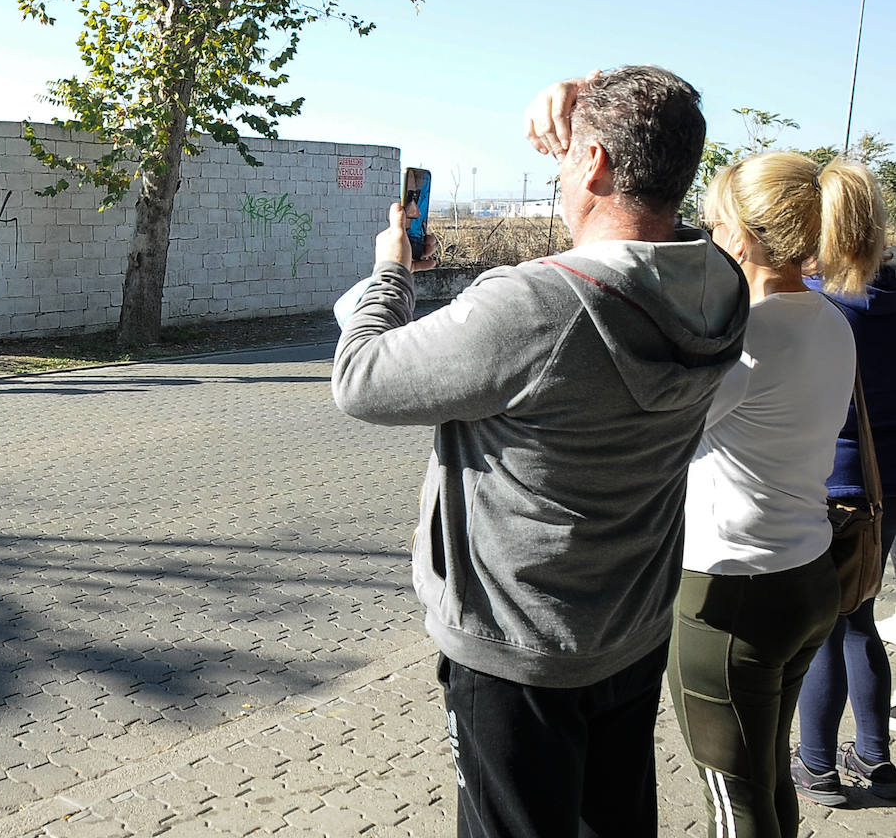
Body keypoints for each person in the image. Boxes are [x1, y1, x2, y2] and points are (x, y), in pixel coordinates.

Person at [332, 66, 749, 837]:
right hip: (631, 633)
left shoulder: (536, 304)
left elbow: (360, 380)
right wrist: (588, 92)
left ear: (593, 164)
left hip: (517, 652)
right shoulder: (721, 283)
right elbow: (664, 218)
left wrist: (390, 275)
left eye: (566, 159)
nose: (559, 175)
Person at [668, 152, 884, 837]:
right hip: (805, 578)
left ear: (742, 236)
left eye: (714, 223)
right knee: (764, 778)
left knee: (736, 801)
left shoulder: (745, 339)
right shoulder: (829, 319)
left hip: (731, 596)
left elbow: (661, 432)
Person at [794, 253, 896, 806]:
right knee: (863, 617)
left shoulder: (818, 302)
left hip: (834, 482)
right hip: (888, 485)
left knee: (829, 623)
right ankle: (876, 754)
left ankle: (816, 765)